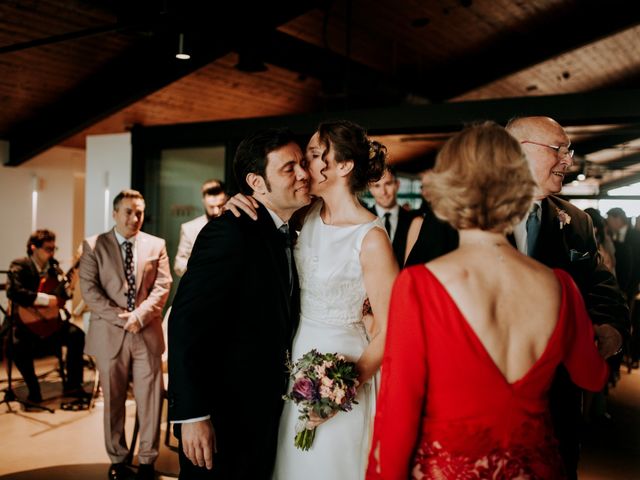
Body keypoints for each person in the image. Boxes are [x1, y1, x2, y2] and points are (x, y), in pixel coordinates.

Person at [367, 122, 609, 479]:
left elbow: (398, 412)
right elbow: (592, 376)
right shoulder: (561, 286)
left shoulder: (419, 286)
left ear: (449, 192)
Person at [227, 120, 398, 479]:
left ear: (344, 166)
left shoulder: (371, 239)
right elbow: (266, 212)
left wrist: (343, 388)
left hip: (343, 367)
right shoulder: (304, 217)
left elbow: (393, 328)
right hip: (296, 364)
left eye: (315, 156)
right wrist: (241, 198)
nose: (304, 168)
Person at [167, 128, 310, 479]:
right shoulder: (229, 232)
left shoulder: (285, 229)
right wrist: (193, 415)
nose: (304, 173)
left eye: (303, 163)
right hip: (222, 419)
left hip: (263, 414)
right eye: (289, 168)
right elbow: (186, 323)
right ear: (256, 183)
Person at [80, 189, 171, 480]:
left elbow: (162, 286)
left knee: (150, 402)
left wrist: (139, 316)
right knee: (114, 402)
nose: (135, 218)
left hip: (146, 333)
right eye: (129, 212)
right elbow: (89, 291)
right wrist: (123, 319)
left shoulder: (157, 244)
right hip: (111, 333)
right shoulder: (94, 245)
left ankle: (147, 460)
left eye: (140, 212)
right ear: (115, 213)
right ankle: (118, 458)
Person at [6, 229, 86, 405]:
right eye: (48, 249)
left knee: (77, 335)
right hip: (24, 324)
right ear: (33, 248)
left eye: (53, 249)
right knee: (16, 345)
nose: (51, 253)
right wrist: (47, 300)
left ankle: (73, 384)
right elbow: (14, 291)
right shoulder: (20, 265)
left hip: (49, 322)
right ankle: (34, 390)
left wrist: (69, 289)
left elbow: (61, 297)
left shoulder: (54, 267)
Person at [174, 179, 228, 277]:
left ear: (226, 200)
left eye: (220, 206)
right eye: (211, 207)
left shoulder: (234, 226)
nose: (216, 211)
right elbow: (179, 265)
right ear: (203, 201)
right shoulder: (189, 228)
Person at [368, 166, 416, 266]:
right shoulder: (363, 219)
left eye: (388, 184)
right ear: (370, 189)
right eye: (377, 186)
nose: (383, 192)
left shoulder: (414, 220)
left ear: (397, 185)